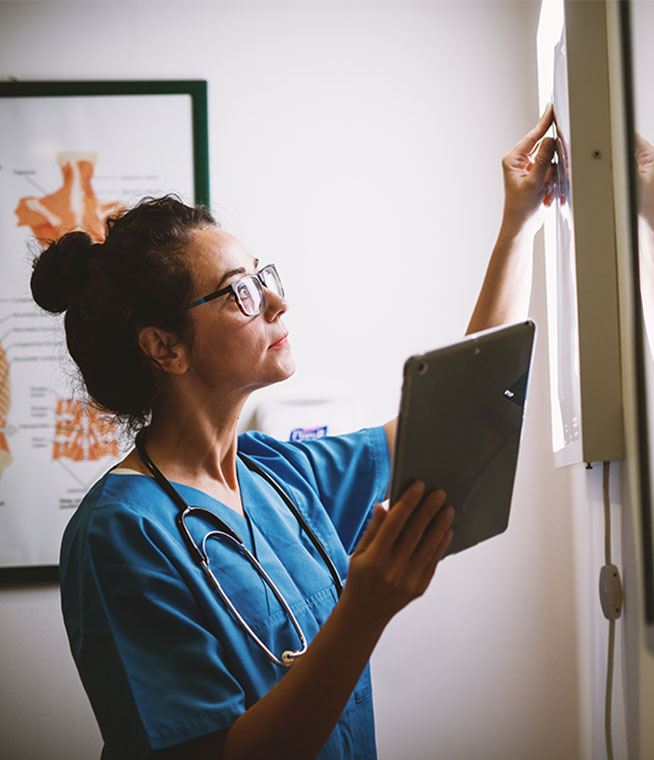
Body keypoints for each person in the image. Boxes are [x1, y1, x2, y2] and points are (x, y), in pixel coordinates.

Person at [30, 107, 555, 760]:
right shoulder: (120, 534)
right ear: (163, 347)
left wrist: (520, 222)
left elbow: (464, 408)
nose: (276, 302)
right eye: (237, 292)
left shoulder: (276, 475)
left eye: (262, 276)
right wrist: (363, 612)